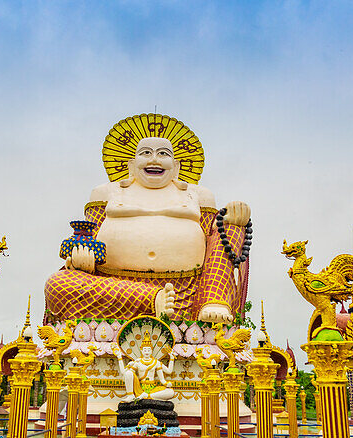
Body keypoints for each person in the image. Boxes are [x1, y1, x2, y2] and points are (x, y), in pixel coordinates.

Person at [45, 135, 251, 322]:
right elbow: (91, 234)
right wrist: (83, 258)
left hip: (187, 291)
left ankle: (213, 300)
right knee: (57, 284)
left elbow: (210, 237)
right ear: (132, 165)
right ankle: (151, 299)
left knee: (230, 225)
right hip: (114, 289)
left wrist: (233, 217)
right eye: (146, 153)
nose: (154, 159)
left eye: (163, 154)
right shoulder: (107, 192)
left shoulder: (198, 194)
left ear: (176, 165)